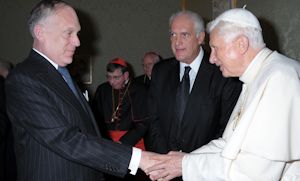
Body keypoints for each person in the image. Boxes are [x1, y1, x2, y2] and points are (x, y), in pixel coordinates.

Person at [5, 1, 157, 181]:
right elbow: (65, 139)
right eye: (68, 33)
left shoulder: (61, 74)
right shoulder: (24, 79)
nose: (77, 41)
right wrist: (139, 158)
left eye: (77, 33)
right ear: (40, 33)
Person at [146, 8, 300, 181]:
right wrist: (182, 160)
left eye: (215, 49)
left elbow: (252, 173)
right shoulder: (254, 77)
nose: (212, 59)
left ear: (241, 44)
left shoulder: (280, 79)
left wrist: (185, 165)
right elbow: (228, 144)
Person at [146, 10, 241, 163]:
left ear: (200, 37)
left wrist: (189, 164)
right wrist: (165, 159)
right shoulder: (160, 71)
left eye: (184, 35)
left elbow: (226, 129)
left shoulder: (223, 74)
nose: (177, 42)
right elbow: (153, 120)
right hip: (163, 165)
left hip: (203, 167)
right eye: (173, 35)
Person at [92, 58, 149, 181]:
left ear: (126, 75)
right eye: (109, 77)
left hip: (133, 142)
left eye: (116, 77)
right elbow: (96, 119)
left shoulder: (139, 90)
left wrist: (123, 143)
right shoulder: (103, 89)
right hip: (108, 143)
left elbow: (143, 123)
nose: (111, 82)